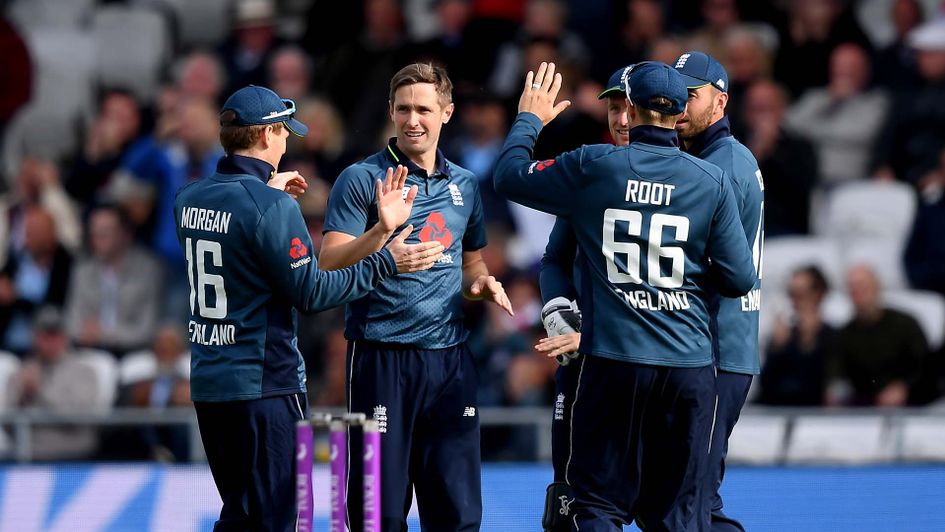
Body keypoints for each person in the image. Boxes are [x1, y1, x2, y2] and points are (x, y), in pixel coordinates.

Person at [494, 61, 756, 531]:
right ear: (678, 115)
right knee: (678, 515)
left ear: (632, 110)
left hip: (612, 359)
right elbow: (739, 279)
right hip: (687, 366)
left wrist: (530, 119)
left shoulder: (593, 166)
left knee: (594, 506)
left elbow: (509, 176)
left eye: (621, 106)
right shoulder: (709, 178)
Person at [173, 85, 443, 531]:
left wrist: (268, 192)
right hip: (266, 385)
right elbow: (314, 294)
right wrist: (386, 261)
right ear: (266, 136)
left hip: (210, 384)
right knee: (282, 518)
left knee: (239, 515)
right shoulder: (271, 206)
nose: (285, 143)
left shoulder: (188, 198)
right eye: (282, 133)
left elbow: (237, 232)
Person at [320, 62, 512, 531]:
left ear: (447, 113)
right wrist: (382, 235)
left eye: (424, 109)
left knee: (458, 514)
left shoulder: (465, 184)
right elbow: (329, 259)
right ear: (389, 111)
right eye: (403, 109)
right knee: (378, 516)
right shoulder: (362, 179)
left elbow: (472, 264)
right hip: (381, 359)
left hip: (449, 363)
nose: (413, 120)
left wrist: (481, 285)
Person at [535, 65, 632, 532]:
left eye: (630, 108)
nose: (621, 119)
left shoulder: (691, 180)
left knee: (665, 505)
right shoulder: (590, 174)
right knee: (568, 503)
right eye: (614, 108)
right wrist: (556, 309)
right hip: (581, 365)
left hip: (651, 364)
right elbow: (554, 260)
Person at [674, 51, 764, 532]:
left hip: (716, 346)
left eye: (692, 94)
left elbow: (710, 268)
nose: (679, 103)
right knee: (690, 499)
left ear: (721, 100)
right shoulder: (716, 158)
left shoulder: (723, 165)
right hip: (714, 346)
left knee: (694, 501)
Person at [827, 264, 929, 406]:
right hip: (863, 410)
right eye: (853, 289)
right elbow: (837, 374)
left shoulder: (905, 324)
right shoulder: (845, 335)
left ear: (877, 287)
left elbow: (925, 366)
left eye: (863, 287)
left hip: (911, 406)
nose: (858, 293)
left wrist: (904, 386)